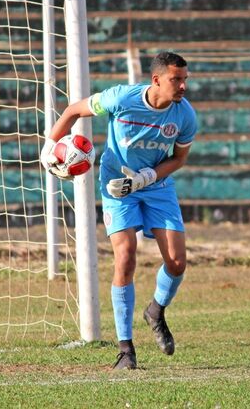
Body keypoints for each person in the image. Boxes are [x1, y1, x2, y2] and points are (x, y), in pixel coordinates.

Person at [40, 51, 197, 370]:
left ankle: (155, 310)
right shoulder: (121, 98)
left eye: (184, 79)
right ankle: (126, 349)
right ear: (156, 80)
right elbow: (73, 110)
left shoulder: (185, 115)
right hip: (117, 187)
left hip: (156, 186)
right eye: (175, 80)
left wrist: (149, 177)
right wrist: (50, 146)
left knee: (178, 263)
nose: (182, 86)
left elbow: (179, 159)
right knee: (125, 256)